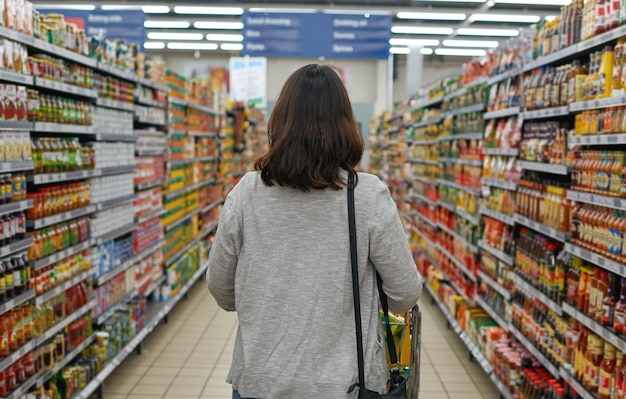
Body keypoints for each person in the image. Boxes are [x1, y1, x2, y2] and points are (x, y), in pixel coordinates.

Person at [206, 64, 422, 399]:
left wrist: (268, 301)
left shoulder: (246, 193)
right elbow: (405, 293)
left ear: (279, 123)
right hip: (347, 385)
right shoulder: (366, 195)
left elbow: (221, 288)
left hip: (260, 383)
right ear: (345, 125)